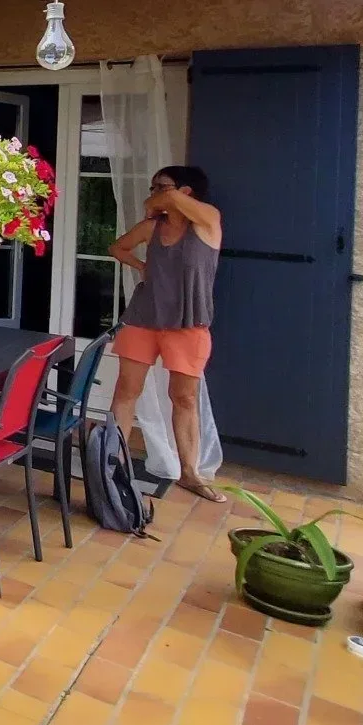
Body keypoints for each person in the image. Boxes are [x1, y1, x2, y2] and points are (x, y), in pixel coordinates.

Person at [107, 165, 224, 503]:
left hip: (188, 324)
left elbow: (159, 202)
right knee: (126, 390)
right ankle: (113, 461)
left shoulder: (207, 221)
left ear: (185, 191)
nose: (153, 192)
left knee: (184, 398)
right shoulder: (152, 227)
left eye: (160, 185)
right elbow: (117, 248)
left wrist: (164, 198)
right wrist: (142, 267)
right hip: (144, 318)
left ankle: (190, 472)